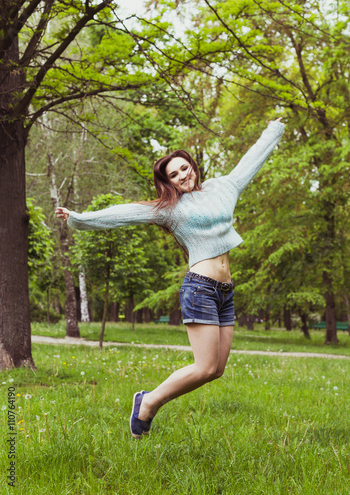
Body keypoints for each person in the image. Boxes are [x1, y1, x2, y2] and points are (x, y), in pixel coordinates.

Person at [56, 117, 285, 439]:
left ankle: (148, 401)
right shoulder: (169, 208)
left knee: (216, 370)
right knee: (203, 367)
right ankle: (147, 402)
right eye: (174, 175)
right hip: (200, 288)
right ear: (169, 182)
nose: (181, 176)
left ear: (193, 165)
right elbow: (123, 213)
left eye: (184, 168)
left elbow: (252, 159)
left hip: (225, 289)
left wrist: (273, 130)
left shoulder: (224, 187)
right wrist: (80, 219)